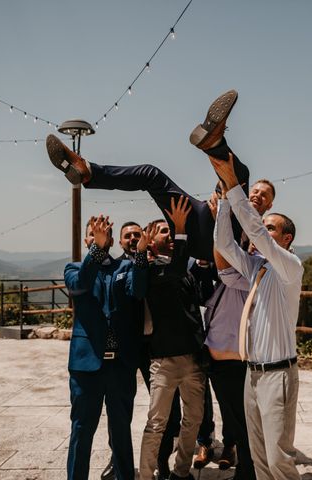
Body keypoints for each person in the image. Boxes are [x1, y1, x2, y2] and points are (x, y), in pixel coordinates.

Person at [46, 89, 248, 261]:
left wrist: (218, 219)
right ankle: (88, 171)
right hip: (204, 220)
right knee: (150, 175)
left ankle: (214, 144)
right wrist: (220, 210)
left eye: (263, 195)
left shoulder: (262, 233)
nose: (257, 195)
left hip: (226, 244)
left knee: (240, 177)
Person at [211, 155, 303, 480]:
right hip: (251, 376)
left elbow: (255, 232)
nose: (262, 232)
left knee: (279, 461)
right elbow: (224, 243)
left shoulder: (290, 266)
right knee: (260, 461)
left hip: (278, 377)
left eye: (271, 228)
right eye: (264, 228)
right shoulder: (256, 270)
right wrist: (224, 201)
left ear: (286, 239)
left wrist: (234, 186)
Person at [197, 178, 275, 480]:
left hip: (244, 351)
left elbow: (229, 268)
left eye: (263, 194)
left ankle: (249, 469)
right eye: (253, 190)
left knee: (244, 420)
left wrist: (225, 223)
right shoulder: (226, 227)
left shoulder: (260, 254)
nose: (256, 195)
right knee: (233, 413)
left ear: (269, 205)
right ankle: (238, 458)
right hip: (217, 346)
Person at [64, 215, 150, 480]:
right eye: (92, 235)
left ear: (111, 240)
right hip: (86, 367)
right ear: (87, 239)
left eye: (102, 235)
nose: (97, 238)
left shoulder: (124, 266)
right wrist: (95, 251)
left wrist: (142, 255)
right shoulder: (74, 269)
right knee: (81, 430)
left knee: (122, 430)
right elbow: (80, 286)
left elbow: (138, 290)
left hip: (120, 366)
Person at [101, 221, 181, 480]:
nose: (133, 238)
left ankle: (162, 459)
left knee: (168, 409)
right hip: (126, 346)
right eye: (128, 236)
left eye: (138, 234)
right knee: (120, 409)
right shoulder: (115, 268)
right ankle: (117, 459)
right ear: (121, 242)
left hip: (157, 346)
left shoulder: (160, 263)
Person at [138, 197, 207, 480]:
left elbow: (196, 304)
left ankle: (181, 473)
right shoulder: (150, 270)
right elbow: (176, 268)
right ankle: (145, 475)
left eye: (171, 230)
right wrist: (180, 228)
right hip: (164, 359)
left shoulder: (185, 271)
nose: (169, 232)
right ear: (151, 241)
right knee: (157, 422)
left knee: (193, 420)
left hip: (192, 359)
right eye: (163, 230)